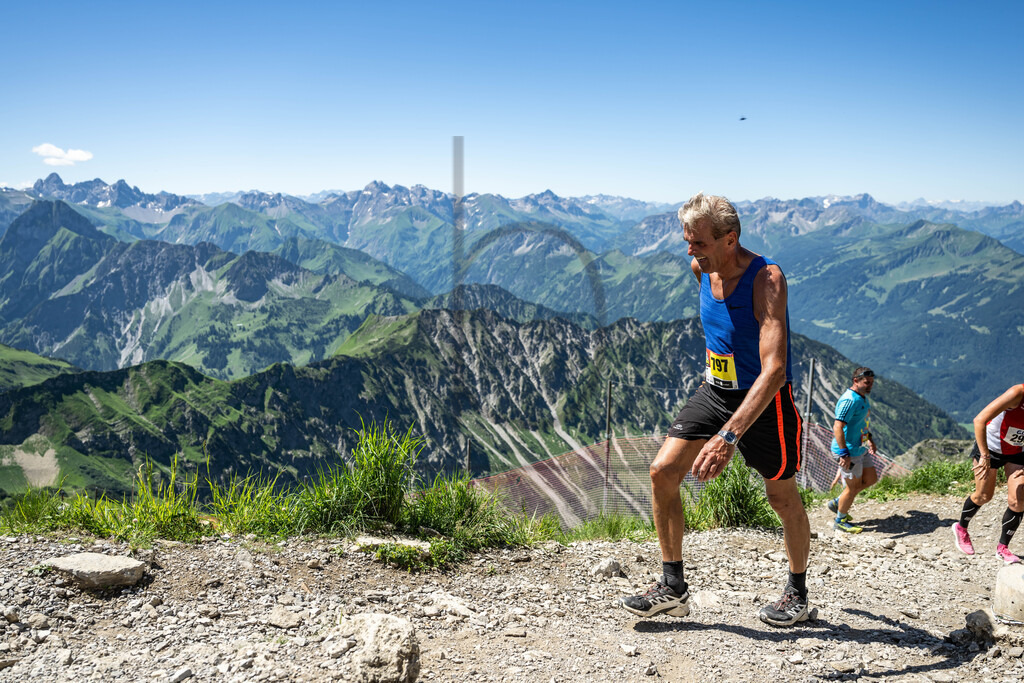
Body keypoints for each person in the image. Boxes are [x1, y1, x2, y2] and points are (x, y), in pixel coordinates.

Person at [619, 192, 810, 627]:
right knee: (662, 472)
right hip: (714, 389)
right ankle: (672, 588)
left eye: (699, 242)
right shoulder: (700, 269)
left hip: (763, 399)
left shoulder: (767, 280)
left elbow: (775, 370)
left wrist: (729, 436)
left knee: (781, 497)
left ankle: (797, 593)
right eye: (687, 241)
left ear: (730, 239)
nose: (690, 251)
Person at [952, 383, 1024, 564]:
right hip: (990, 447)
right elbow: (979, 420)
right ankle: (961, 527)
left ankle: (1003, 548)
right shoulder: (1018, 393)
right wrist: (984, 456)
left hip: (1017, 451)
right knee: (984, 496)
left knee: (1019, 499)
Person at [826, 368, 879, 533]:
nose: (870, 386)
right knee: (852, 488)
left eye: (871, 382)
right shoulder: (849, 400)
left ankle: (838, 502)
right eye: (866, 382)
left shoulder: (862, 397)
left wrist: (869, 439)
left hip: (860, 448)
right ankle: (840, 521)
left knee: (870, 479)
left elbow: (862, 422)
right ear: (856, 380)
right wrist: (843, 453)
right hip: (848, 452)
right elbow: (838, 426)